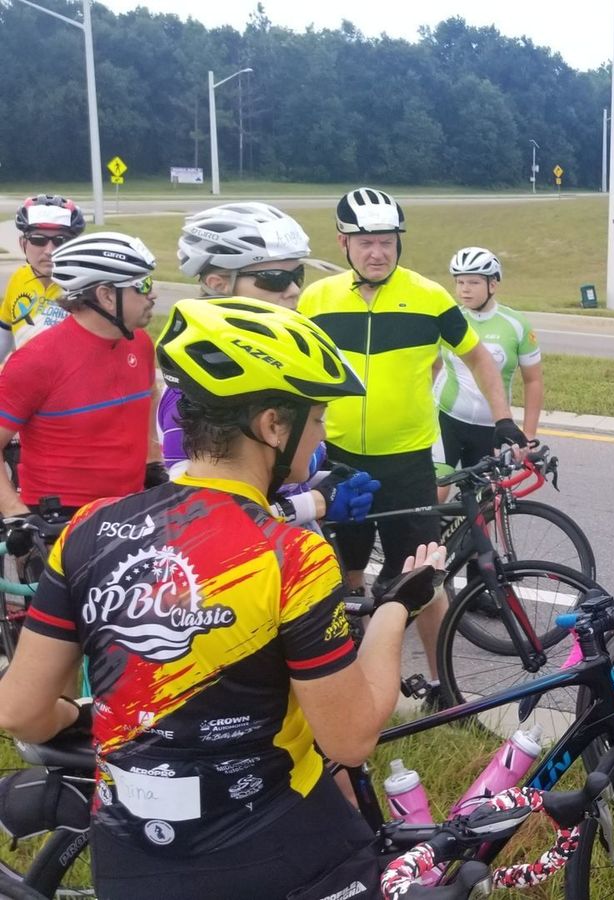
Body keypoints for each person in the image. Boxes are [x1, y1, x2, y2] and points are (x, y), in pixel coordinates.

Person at [0, 298, 441, 899]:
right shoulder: (290, 555)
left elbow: (20, 709)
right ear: (273, 425)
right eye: (317, 418)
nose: (323, 434)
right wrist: (396, 608)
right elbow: (351, 737)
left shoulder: (91, 527)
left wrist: (77, 716)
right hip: (275, 847)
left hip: (130, 858)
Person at [298, 188, 528, 702]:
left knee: (424, 578)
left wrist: (503, 420)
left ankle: (445, 688)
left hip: (406, 461)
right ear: (342, 243)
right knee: (346, 577)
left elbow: (478, 358)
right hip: (339, 459)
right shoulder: (317, 299)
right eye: (365, 243)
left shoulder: (428, 297)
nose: (377, 252)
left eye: (386, 241)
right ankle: (355, 687)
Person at [162, 202, 378, 527]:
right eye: (275, 279)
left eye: (297, 275)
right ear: (219, 284)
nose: (294, 290)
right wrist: (317, 502)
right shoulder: (198, 385)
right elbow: (197, 513)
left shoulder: (268, 362)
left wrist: (326, 476)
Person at [0, 232, 165, 520]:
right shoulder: (36, 361)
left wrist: (152, 459)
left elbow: (150, 394)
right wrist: (17, 514)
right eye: (142, 285)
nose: (153, 295)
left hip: (130, 510)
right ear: (106, 296)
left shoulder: (140, 342)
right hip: (60, 519)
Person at [433, 246, 543, 492]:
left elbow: (533, 381)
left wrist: (529, 435)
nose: (464, 289)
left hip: (490, 428)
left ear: (493, 284)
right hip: (446, 419)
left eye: (473, 282)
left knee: (486, 501)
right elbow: (433, 366)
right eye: (460, 282)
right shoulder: (451, 320)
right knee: (437, 493)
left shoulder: (516, 325)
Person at [1, 194, 86, 361]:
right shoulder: (19, 277)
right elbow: (4, 333)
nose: (49, 251)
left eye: (61, 240)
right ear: (22, 244)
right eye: (38, 240)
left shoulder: (87, 287)